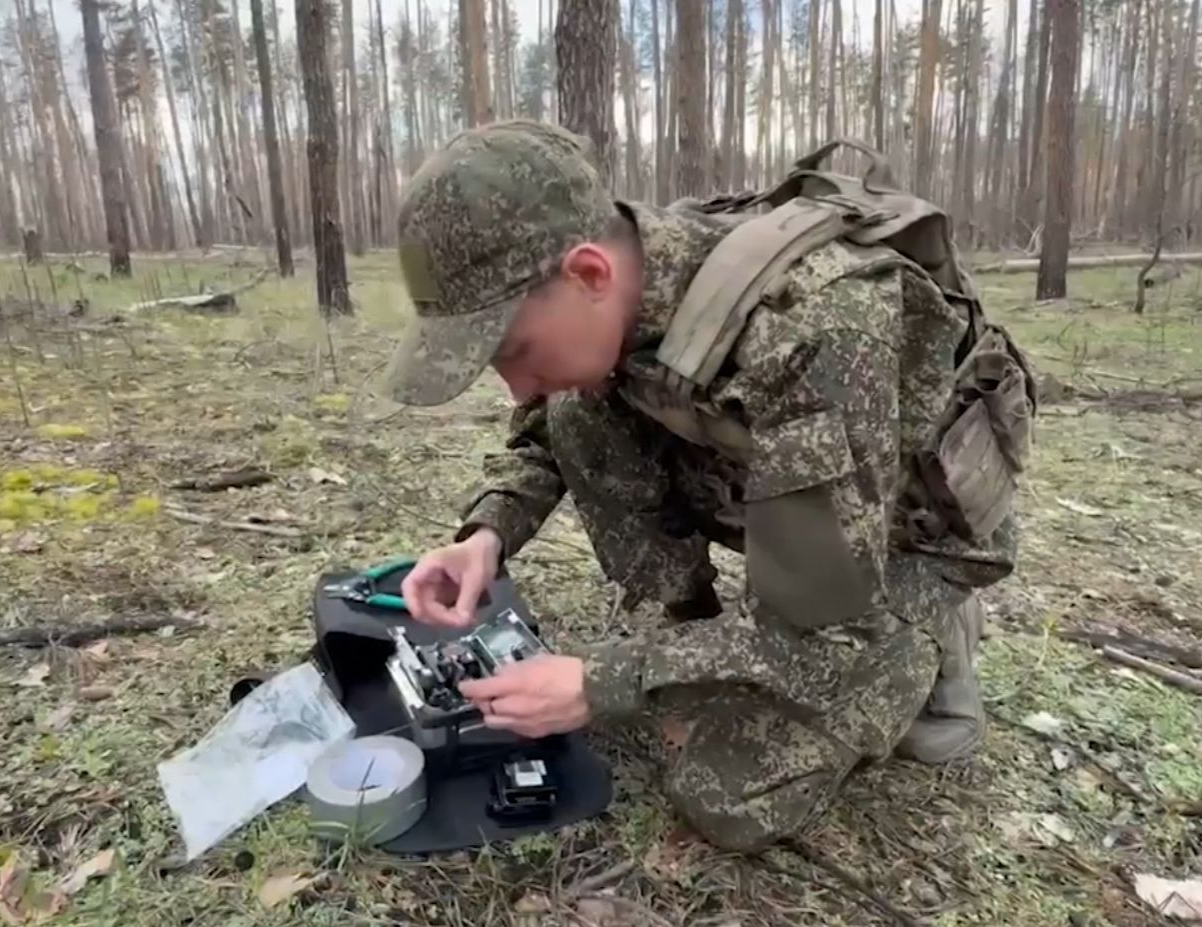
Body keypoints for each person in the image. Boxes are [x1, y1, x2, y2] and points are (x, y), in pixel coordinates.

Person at [382, 119, 1031, 852]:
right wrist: (487, 535)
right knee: (577, 403)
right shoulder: (631, 285)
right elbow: (542, 431)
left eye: (514, 350)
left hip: (902, 540)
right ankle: (686, 633)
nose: (514, 385)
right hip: (793, 496)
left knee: (725, 793)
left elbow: (821, 632)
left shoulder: (812, 323)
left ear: (590, 274)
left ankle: (927, 635)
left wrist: (602, 680)